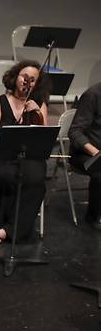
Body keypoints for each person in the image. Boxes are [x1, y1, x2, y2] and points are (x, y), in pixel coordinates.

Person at [0, 60, 50, 243]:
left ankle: (8, 229)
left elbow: (44, 135)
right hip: (2, 155)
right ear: (15, 77)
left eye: (32, 80)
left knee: (36, 180)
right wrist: (8, 141)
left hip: (29, 158)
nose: (26, 82)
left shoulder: (39, 104)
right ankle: (11, 226)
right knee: (4, 176)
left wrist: (39, 114)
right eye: (24, 76)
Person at [68, 82, 101, 231]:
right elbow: (75, 132)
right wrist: (96, 153)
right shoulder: (93, 94)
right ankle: (95, 216)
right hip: (86, 153)